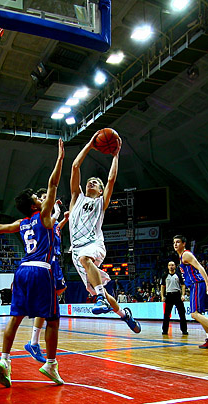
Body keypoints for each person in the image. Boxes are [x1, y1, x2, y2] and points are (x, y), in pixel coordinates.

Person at [0, 139, 65, 387]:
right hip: (42, 271)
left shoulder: (22, 223)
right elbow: (53, 184)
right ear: (34, 205)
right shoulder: (43, 216)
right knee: (52, 320)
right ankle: (51, 364)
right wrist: (60, 158)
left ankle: (5, 360)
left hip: (21, 270)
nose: (41, 199)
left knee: (15, 318)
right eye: (36, 197)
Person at [67, 129, 141, 333]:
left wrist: (116, 155)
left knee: (86, 261)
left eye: (96, 183)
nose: (92, 182)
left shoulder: (101, 202)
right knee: (102, 291)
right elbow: (75, 166)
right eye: (90, 181)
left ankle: (99, 297)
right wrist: (90, 144)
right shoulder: (76, 198)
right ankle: (124, 315)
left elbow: (110, 180)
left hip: (93, 245)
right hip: (76, 251)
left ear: (100, 191)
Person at [25, 189, 70, 363]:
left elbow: (56, 228)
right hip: (47, 261)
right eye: (42, 198)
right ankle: (34, 341)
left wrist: (64, 219)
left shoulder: (52, 222)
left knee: (61, 289)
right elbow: (51, 224)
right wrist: (58, 212)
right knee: (47, 303)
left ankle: (43, 310)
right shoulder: (43, 219)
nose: (46, 200)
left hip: (55, 261)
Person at [173, 235, 208, 351]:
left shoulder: (186, 254)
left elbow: (200, 267)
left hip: (197, 283)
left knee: (194, 314)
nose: (175, 244)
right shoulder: (181, 256)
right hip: (195, 285)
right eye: (174, 243)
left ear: (184, 244)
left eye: (178, 242)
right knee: (199, 314)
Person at [161, 261, 188, 336]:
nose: (171, 266)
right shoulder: (165, 276)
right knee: (166, 314)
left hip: (177, 295)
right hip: (169, 295)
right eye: (169, 265)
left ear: (175, 266)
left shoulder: (179, 275)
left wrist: (183, 295)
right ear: (168, 266)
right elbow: (162, 287)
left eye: (172, 265)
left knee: (182, 313)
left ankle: (184, 330)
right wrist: (162, 296)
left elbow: (183, 285)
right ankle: (165, 330)